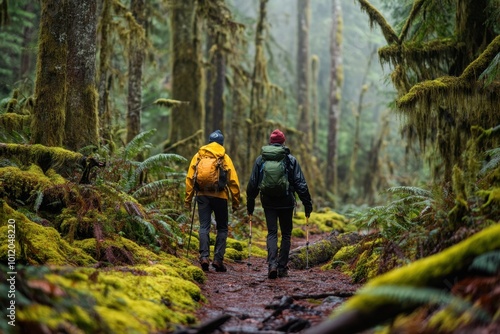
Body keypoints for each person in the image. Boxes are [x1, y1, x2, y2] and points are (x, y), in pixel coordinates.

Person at [246, 129, 313, 279]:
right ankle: (282, 267)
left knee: (271, 232)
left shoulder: (261, 160)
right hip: (286, 201)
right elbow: (300, 184)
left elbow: (252, 184)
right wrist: (307, 204)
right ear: (283, 142)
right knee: (286, 234)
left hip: (268, 201)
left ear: (270, 142)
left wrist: (250, 204)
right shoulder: (290, 159)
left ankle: (272, 265)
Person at [185, 130, 241, 272]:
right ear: (221, 143)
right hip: (220, 196)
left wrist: (188, 200)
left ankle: (204, 257)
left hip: (202, 196)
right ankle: (217, 260)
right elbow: (233, 181)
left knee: (204, 226)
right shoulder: (224, 157)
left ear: (209, 142)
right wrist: (236, 202)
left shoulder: (198, 156)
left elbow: (190, 178)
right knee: (222, 228)